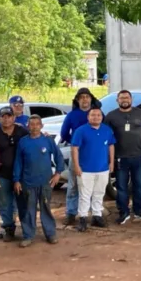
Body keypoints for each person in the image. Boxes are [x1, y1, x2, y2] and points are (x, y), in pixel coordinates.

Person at [13, 115, 64, 247]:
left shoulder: (48, 140)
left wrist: (58, 173)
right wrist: (16, 180)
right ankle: (28, 235)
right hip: (28, 182)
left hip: (45, 182)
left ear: (41, 126)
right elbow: (18, 162)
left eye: (37, 124)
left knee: (46, 208)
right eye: (32, 124)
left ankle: (50, 234)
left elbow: (58, 156)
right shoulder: (23, 142)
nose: (34, 127)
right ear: (28, 126)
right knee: (29, 209)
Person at [104, 90, 141, 224]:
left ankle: (139, 210)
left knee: (139, 184)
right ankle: (123, 211)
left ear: (131, 99)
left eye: (127, 97)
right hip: (120, 157)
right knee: (121, 186)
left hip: (138, 155)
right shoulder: (111, 116)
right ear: (117, 100)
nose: (124, 99)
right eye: (121, 98)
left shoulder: (140, 113)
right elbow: (106, 135)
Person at [59, 87, 101, 226]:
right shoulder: (72, 115)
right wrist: (75, 142)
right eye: (81, 97)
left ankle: (94, 213)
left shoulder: (97, 114)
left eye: (87, 97)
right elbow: (64, 133)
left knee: (94, 185)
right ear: (78, 100)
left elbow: (104, 131)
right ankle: (71, 213)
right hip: (76, 153)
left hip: (94, 154)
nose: (84, 99)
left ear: (91, 99)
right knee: (73, 184)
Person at [72, 107, 116, 231]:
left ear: (102, 117)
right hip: (85, 169)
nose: (96, 117)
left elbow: (111, 146)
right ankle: (83, 218)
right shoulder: (81, 131)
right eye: (93, 115)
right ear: (88, 117)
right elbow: (75, 148)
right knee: (85, 195)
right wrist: (76, 165)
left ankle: (97, 216)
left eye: (98, 115)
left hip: (102, 168)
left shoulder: (107, 130)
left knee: (99, 193)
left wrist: (111, 162)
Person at [0, 107, 29, 242]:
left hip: (22, 176)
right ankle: (9, 229)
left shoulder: (23, 132)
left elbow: (33, 142)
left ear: (14, 118)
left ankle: (27, 229)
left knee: (24, 203)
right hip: (2, 175)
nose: (6, 119)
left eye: (9, 116)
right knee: (4, 204)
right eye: (3, 116)